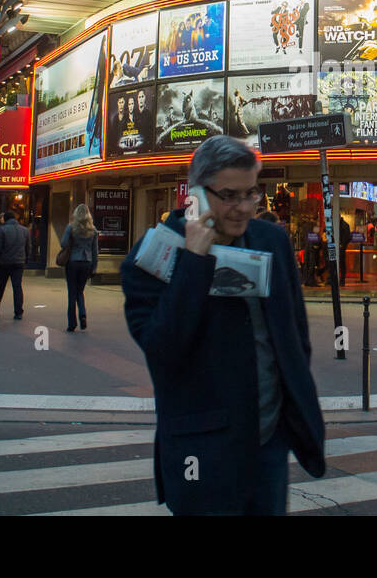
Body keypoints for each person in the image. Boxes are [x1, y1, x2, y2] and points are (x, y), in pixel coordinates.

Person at [121, 135, 326, 515]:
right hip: (201, 449)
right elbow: (164, 351)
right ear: (196, 193)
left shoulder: (271, 240)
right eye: (229, 195)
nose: (243, 207)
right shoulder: (152, 258)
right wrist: (195, 263)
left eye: (251, 194)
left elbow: (294, 334)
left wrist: (291, 415)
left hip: (268, 442)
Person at [61, 204, 99, 331]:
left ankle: (72, 323)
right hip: (86, 262)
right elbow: (95, 251)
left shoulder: (71, 228)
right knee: (80, 291)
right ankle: (82, 314)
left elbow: (63, 244)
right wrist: (94, 267)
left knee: (72, 292)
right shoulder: (93, 230)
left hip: (73, 261)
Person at [0, 210, 31, 319]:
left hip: (5, 262)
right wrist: (25, 260)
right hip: (19, 263)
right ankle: (18, 312)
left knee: (0, 286)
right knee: (17, 287)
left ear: (6, 219)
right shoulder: (25, 230)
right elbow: (28, 247)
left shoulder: (1, 230)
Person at [337, 215, 351, 285]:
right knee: (342, 264)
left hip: (340, 247)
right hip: (341, 247)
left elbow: (347, 237)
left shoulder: (340, 225)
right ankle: (342, 280)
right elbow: (348, 237)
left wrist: (342, 244)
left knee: (339, 263)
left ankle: (340, 280)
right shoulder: (345, 225)